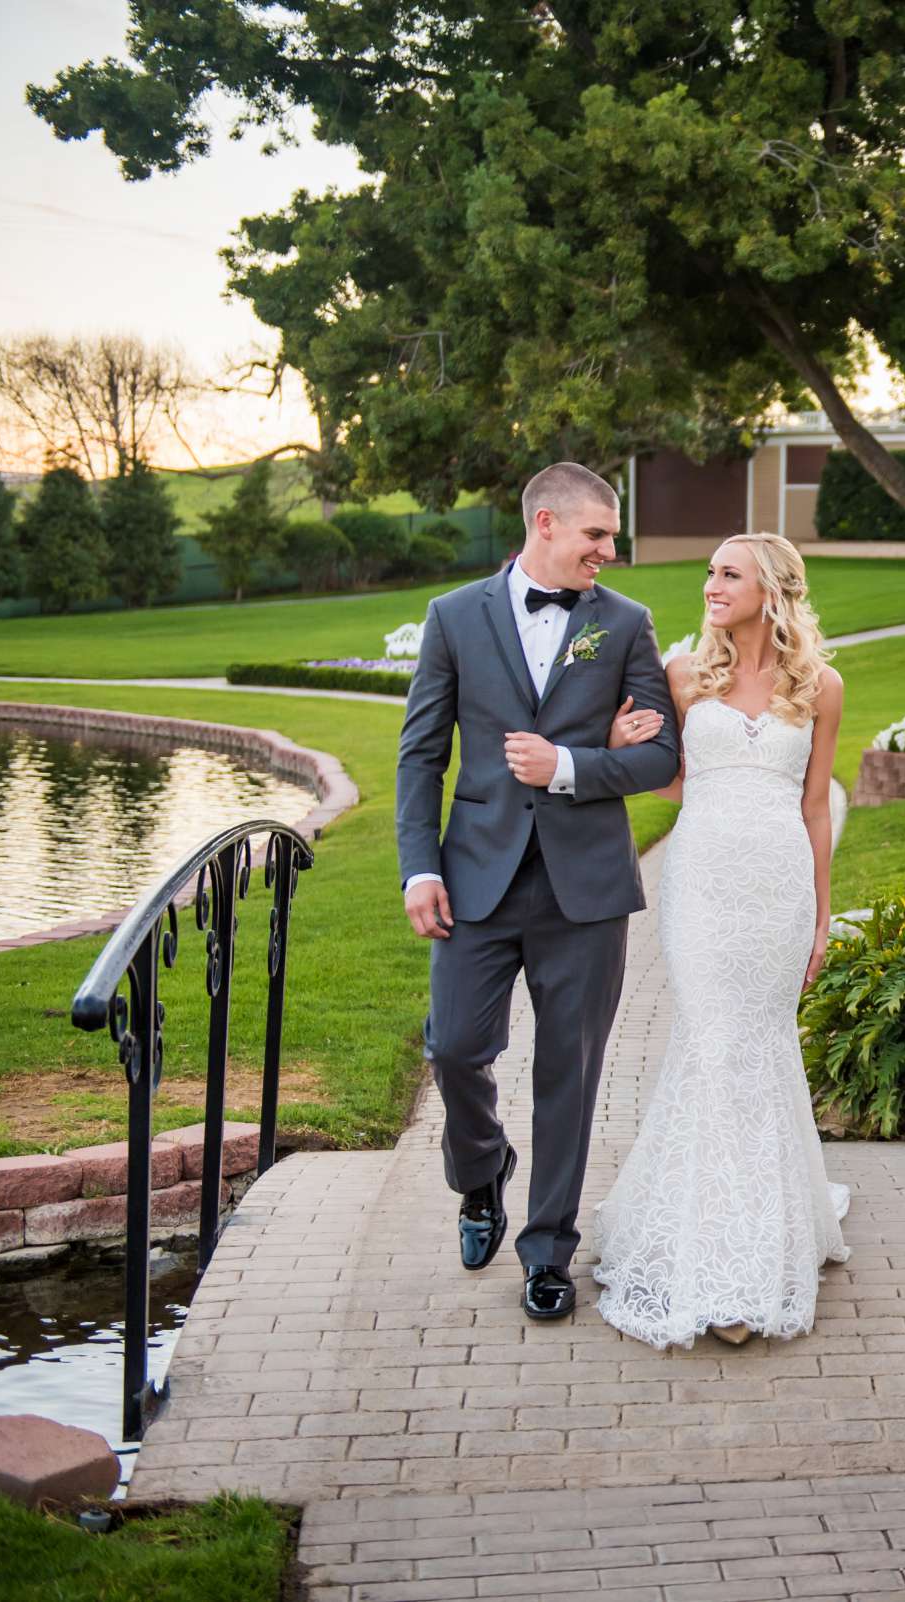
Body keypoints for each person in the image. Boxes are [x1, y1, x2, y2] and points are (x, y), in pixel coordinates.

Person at [396, 462, 682, 1322]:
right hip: (474, 879)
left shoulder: (626, 624)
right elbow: (421, 756)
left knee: (571, 1070)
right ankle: (481, 1173)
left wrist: (570, 765)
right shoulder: (453, 618)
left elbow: (663, 758)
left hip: (585, 890)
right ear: (547, 523)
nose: (611, 549)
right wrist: (420, 865)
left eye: (613, 535)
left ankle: (549, 1248)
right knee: (454, 1047)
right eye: (598, 534)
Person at [590, 532, 851, 1348]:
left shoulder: (821, 686)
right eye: (709, 572)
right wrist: (616, 748)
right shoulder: (682, 673)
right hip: (700, 884)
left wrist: (820, 912)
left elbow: (815, 806)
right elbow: (672, 780)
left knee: (758, 1045)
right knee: (711, 1044)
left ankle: (760, 1245)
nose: (710, 584)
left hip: (775, 888)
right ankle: (710, 1254)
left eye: (727, 574)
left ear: (771, 589)